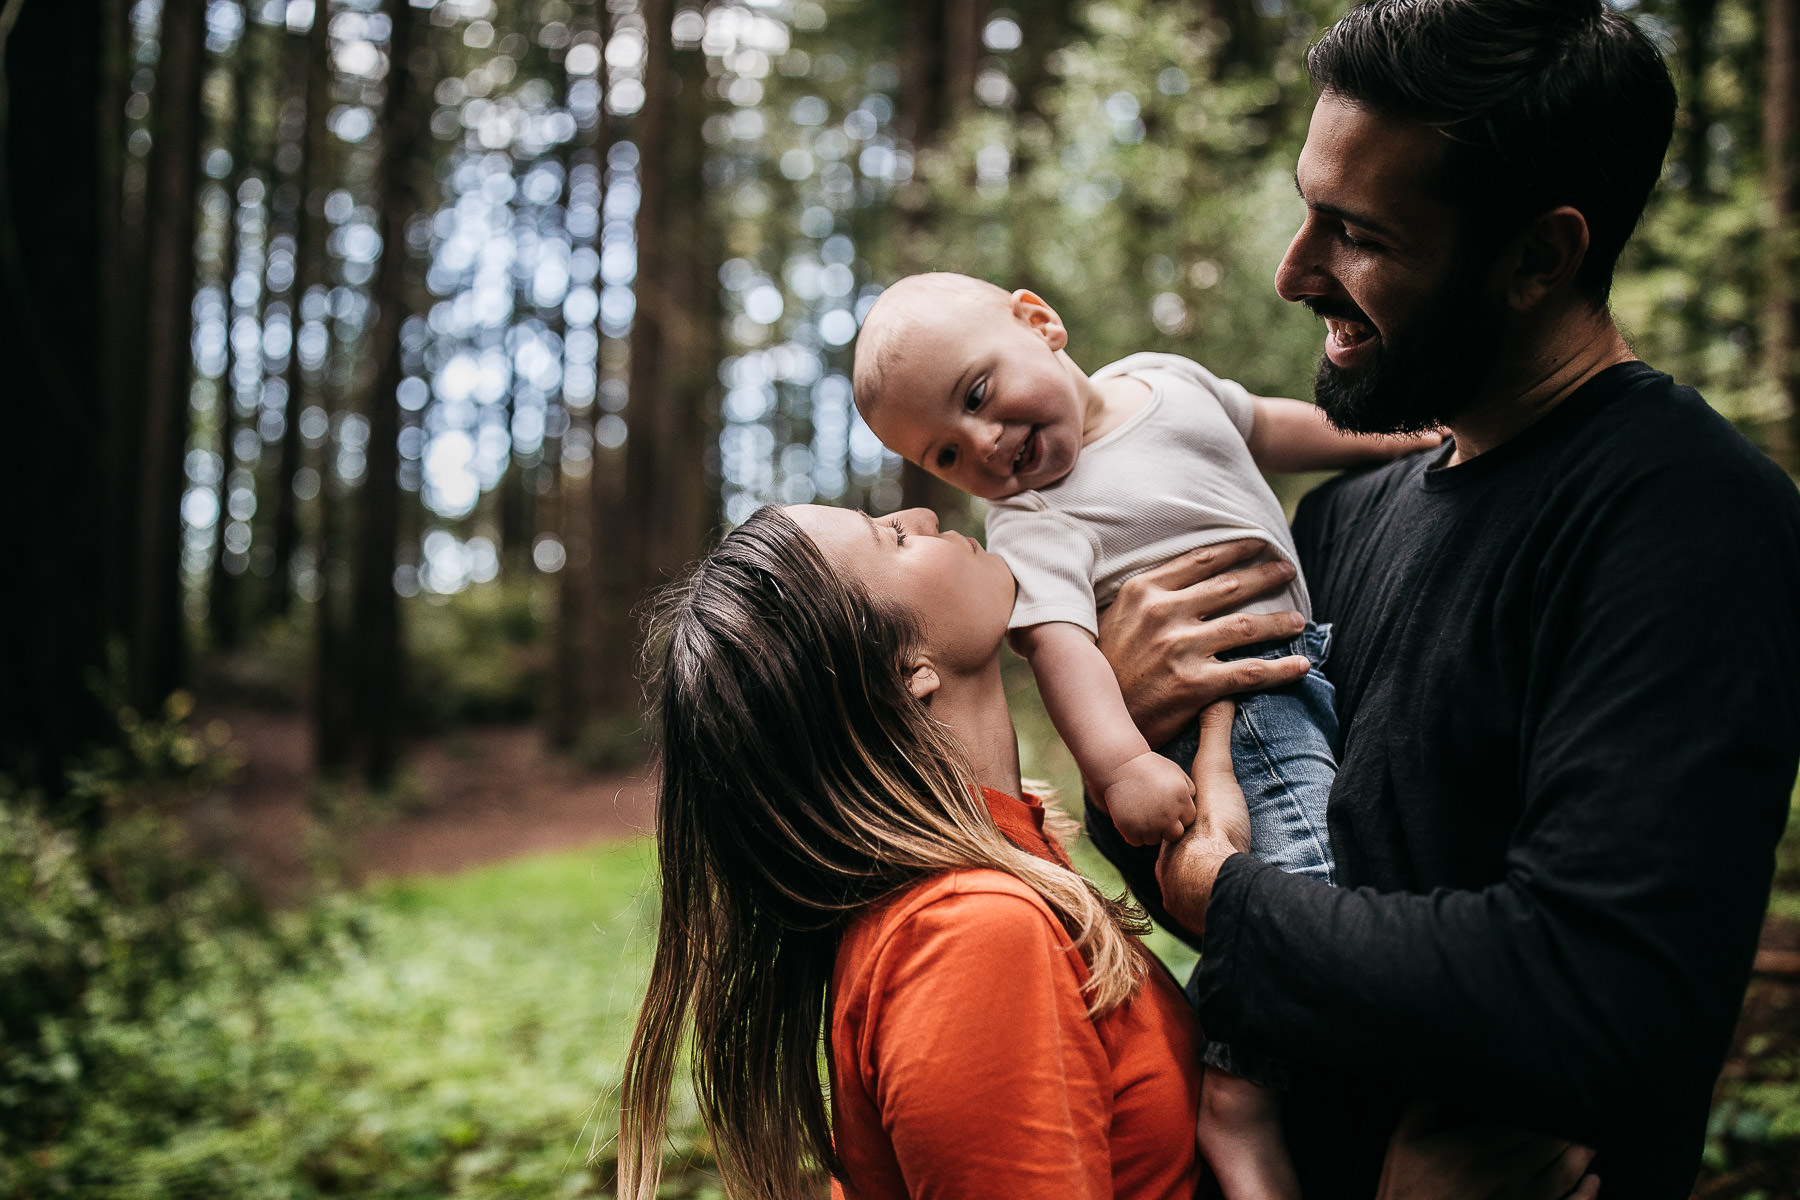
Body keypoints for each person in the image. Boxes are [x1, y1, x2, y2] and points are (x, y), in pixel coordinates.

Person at [1087, 2, 1800, 1197]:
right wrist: (1136, 717)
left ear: (1538, 258)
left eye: (1359, 234)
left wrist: (1234, 907)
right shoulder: (1342, 520)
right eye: (1308, 208)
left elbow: (1592, 992)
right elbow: (1263, 841)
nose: (1293, 272)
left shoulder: (1689, 515)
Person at [613, 504, 1602, 1200]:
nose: (921, 512)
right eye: (893, 538)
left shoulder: (994, 882)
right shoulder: (968, 939)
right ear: (907, 669)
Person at [851, 271, 1434, 1197]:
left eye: (978, 395)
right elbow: (1063, 651)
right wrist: (1121, 764)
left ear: (1039, 322)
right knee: (1313, 886)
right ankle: (1240, 1085)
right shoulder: (1032, 519)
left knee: (1328, 872)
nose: (984, 446)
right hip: (1231, 714)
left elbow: (1267, 426)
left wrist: (1398, 436)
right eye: (948, 454)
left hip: (1301, 669)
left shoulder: (1164, 379)